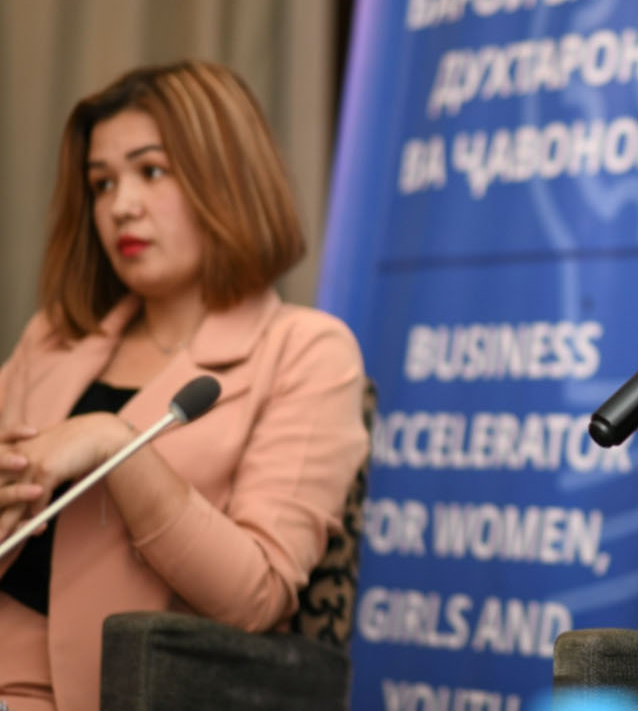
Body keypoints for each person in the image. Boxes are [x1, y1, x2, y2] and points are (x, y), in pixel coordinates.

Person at [0, 61, 368, 711]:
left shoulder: (305, 349)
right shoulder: (54, 336)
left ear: (227, 178)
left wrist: (112, 443)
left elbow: (256, 596)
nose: (121, 205)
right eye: (102, 183)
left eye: (151, 171)